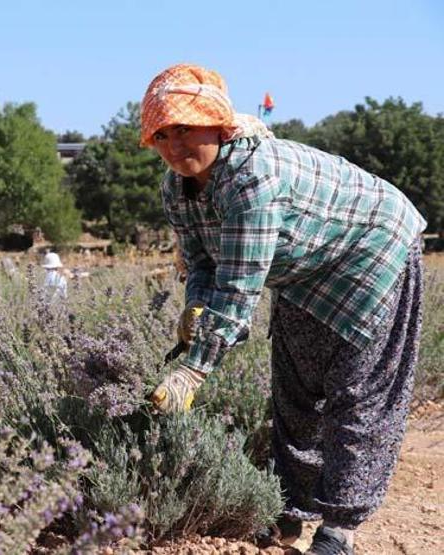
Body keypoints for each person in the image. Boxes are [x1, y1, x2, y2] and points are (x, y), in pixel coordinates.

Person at [142, 64, 425, 555]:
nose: (173, 145)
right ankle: (286, 512)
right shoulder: (176, 188)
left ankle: (339, 528)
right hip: (303, 269)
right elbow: (203, 264)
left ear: (216, 122)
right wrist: (194, 310)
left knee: (356, 395)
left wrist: (192, 372)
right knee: (295, 392)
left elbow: (238, 288)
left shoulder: (252, 177)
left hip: (372, 249)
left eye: (185, 128)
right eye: (161, 134)